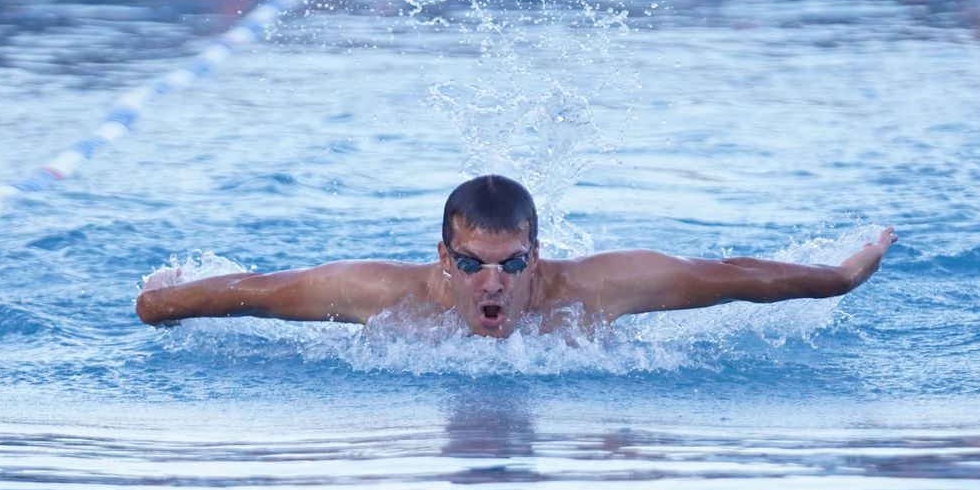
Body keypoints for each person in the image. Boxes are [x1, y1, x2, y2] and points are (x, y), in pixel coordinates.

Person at [135, 174, 897, 338]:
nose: (492, 283)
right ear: (443, 259)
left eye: (511, 264)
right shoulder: (386, 293)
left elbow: (730, 279)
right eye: (471, 266)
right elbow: (257, 291)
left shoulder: (597, 290)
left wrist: (835, 277)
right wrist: (161, 300)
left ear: (539, 254)